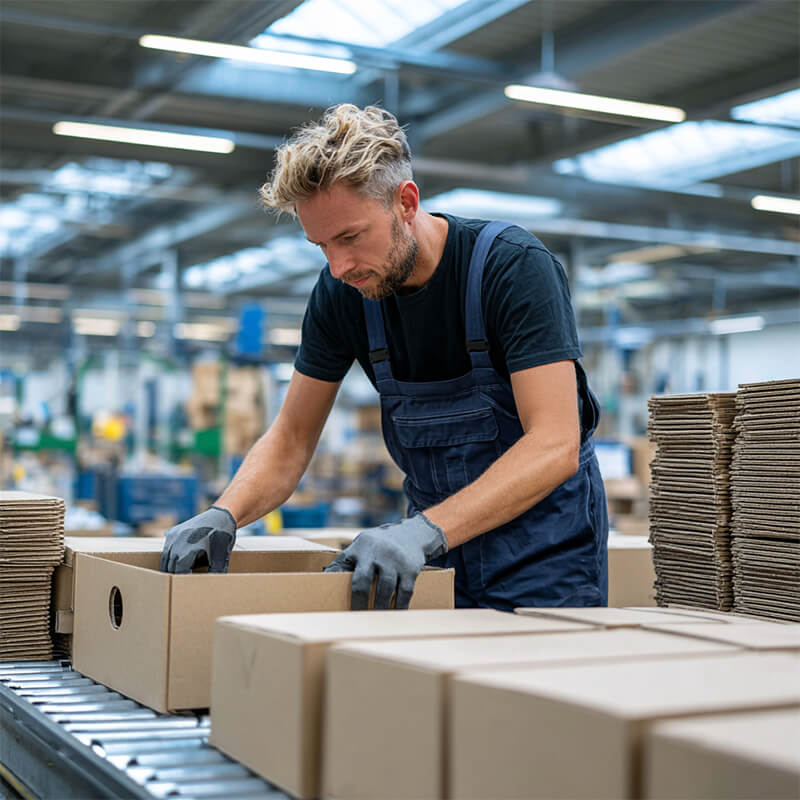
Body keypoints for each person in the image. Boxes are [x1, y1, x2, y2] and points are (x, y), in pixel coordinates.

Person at [161, 104, 608, 611]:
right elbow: (290, 439)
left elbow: (554, 443)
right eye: (321, 245)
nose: (339, 266)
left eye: (350, 237)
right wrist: (224, 513)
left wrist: (424, 532)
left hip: (544, 563)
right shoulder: (342, 294)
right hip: (429, 560)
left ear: (406, 202)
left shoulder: (512, 269)